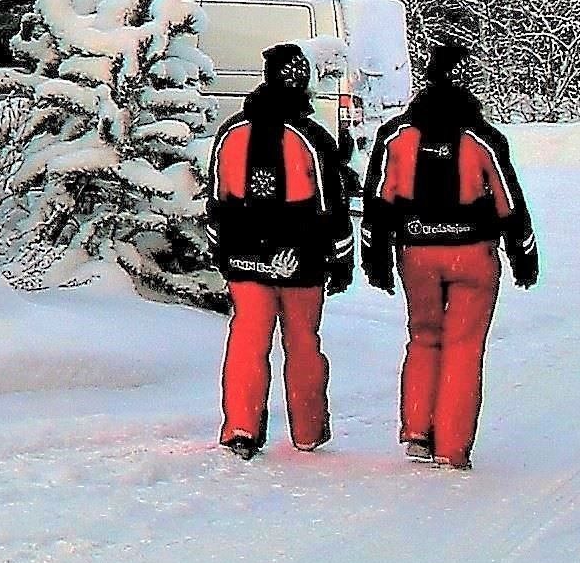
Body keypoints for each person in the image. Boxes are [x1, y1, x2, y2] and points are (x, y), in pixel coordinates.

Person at [364, 32, 536, 469]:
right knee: (463, 346)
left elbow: (378, 204)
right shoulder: (482, 139)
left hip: (416, 254)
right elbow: (508, 202)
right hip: (473, 254)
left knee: (423, 336)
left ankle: (418, 431)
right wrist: (523, 252)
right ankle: (453, 446)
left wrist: (376, 257)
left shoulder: (395, 137)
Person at [202, 41, 349, 458]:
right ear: (302, 85)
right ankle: (307, 432)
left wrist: (224, 253)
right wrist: (341, 260)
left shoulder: (231, 133)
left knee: (248, 340)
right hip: (302, 261)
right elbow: (332, 207)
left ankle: (240, 428)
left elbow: (214, 202)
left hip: (244, 258)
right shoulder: (310, 137)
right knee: (303, 343)